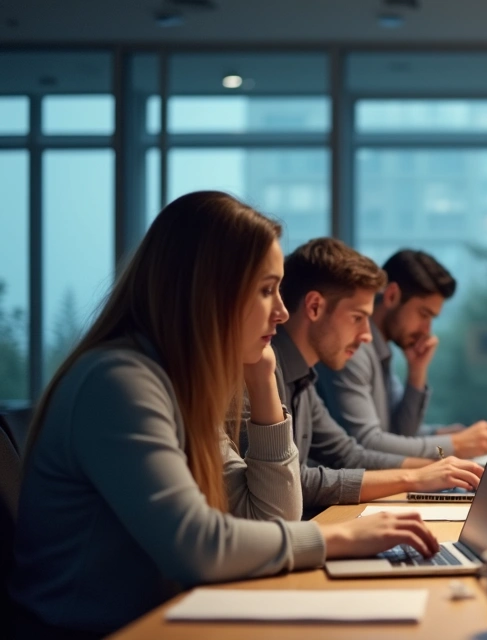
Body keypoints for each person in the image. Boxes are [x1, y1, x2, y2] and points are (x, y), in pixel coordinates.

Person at [8, 192, 438, 636]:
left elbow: (271, 521)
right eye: (267, 290)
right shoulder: (120, 381)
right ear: (210, 291)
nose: (282, 312)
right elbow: (197, 546)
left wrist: (264, 387)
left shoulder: (181, 384)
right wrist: (337, 539)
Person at [273, 238, 484, 513]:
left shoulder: (304, 377)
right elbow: (293, 483)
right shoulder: (266, 370)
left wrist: (442, 469)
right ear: (314, 307)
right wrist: (429, 467)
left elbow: (349, 454)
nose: (367, 336)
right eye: (358, 317)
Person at [317, 249, 487, 458]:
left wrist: (417, 372)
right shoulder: (354, 350)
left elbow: (399, 432)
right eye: (423, 314)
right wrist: (454, 445)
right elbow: (366, 442)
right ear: (392, 295)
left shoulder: (381, 351)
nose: (426, 330)